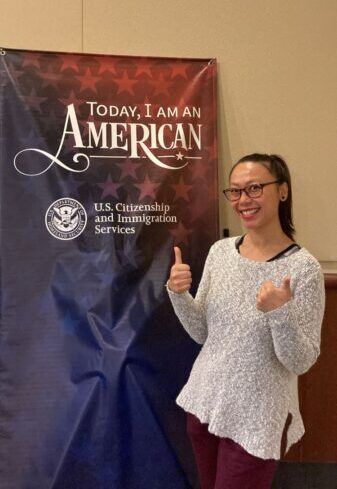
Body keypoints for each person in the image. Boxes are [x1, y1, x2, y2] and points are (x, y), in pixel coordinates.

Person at [166, 153, 325, 489]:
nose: (243, 200)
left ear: (282, 191)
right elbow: (202, 333)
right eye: (235, 192)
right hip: (205, 404)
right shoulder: (220, 252)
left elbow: (301, 360)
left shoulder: (304, 269)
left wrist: (279, 313)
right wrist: (179, 294)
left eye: (254, 188)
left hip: (259, 417)